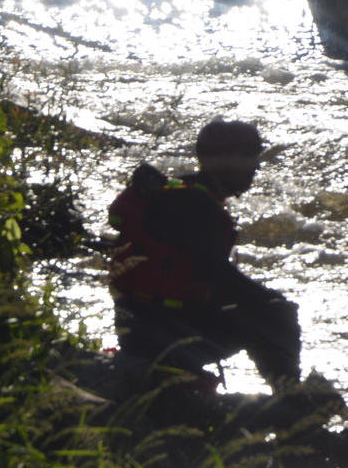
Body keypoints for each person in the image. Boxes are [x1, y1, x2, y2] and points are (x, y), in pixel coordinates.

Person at [108, 119, 301, 390]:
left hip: (145, 330)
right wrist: (271, 301)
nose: (256, 166)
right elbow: (218, 276)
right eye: (247, 156)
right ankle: (290, 397)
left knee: (264, 307)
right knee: (276, 312)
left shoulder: (185, 193)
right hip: (165, 337)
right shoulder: (198, 205)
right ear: (222, 160)